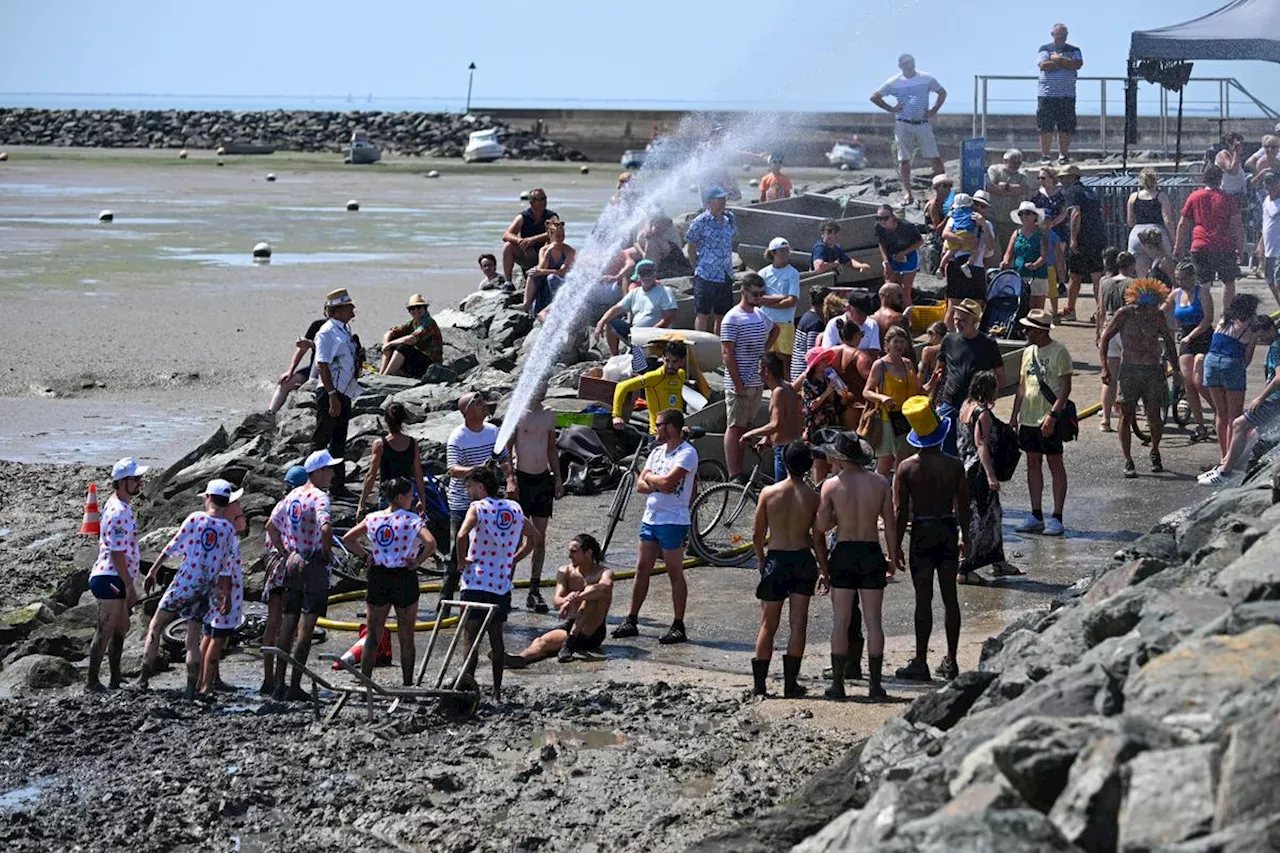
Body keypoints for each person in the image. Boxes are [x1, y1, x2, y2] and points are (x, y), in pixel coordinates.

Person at [136, 479, 242, 698]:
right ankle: (190, 689)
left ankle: (143, 679)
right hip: (206, 588)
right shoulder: (228, 530)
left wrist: (153, 570)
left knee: (156, 625)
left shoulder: (195, 519)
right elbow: (226, 567)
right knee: (193, 639)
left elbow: (172, 546)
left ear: (209, 498)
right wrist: (226, 596)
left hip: (185, 581)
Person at [814, 431, 898, 701]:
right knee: (875, 621)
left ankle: (838, 685)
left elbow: (822, 526)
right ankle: (875, 685)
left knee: (841, 620)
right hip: (871, 550)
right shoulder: (880, 482)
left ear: (839, 457)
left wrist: (839, 516)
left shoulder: (830, 486)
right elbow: (890, 523)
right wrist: (893, 556)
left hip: (845, 552)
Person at [893, 397, 968, 681]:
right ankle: (951, 660)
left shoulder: (906, 468)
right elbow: (963, 506)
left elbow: (900, 512)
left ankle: (921, 661)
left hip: (922, 532)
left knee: (923, 599)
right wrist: (966, 538)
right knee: (950, 597)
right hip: (948, 529)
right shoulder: (954, 466)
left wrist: (896, 545)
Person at [611, 408, 698, 644]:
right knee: (642, 568)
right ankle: (632, 619)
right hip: (651, 517)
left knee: (674, 572)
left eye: (659, 424)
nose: (655, 428)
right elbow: (641, 484)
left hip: (673, 519)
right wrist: (654, 482)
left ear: (671, 427)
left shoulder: (687, 453)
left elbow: (670, 482)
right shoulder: (657, 452)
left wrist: (652, 480)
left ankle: (678, 624)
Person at [341, 477, 437, 686]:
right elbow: (431, 542)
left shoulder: (373, 518)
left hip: (379, 575)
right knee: (406, 635)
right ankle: (408, 683)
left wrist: (366, 556)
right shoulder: (411, 520)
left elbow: (348, 539)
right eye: (411, 496)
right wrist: (418, 561)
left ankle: (365, 680)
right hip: (404, 575)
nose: (413, 500)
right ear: (401, 497)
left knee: (373, 632)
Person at [454, 466, 539, 702]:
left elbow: (461, 536)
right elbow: (534, 538)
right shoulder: (513, 508)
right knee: (496, 637)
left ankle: (467, 688)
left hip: (476, 581)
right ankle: (498, 691)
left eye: (469, 487)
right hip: (501, 582)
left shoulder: (478, 508)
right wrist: (513, 558)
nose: (468, 492)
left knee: (470, 637)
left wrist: (462, 561)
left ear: (481, 487)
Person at [264, 449, 342, 700]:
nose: (332, 474)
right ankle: (295, 684)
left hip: (293, 560)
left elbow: (270, 527)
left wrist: (284, 552)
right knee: (306, 627)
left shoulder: (291, 496)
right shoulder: (320, 497)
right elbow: (326, 526)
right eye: (329, 469)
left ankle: (278, 683)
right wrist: (328, 551)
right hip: (313, 562)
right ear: (317, 472)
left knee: (287, 623)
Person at [751, 441, 820, 698]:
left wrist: (760, 559)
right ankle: (791, 684)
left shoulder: (768, 493)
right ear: (809, 466)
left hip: (776, 559)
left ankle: (760, 685)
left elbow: (757, 534)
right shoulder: (813, 497)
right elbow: (818, 537)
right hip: (802, 559)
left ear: (785, 463)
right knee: (798, 623)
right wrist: (823, 567)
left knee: (768, 624)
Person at [1098, 278, 1177, 478]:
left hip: (1152, 371)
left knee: (1154, 416)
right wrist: (1105, 368)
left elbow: (1168, 340)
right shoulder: (1124, 315)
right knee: (1126, 415)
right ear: (1136, 304)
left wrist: (1176, 369)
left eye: (1152, 307)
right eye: (1144, 307)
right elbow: (1105, 338)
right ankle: (1128, 459)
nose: (1148, 312)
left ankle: (1155, 450)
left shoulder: (1158, 316)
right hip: (1130, 370)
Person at [445, 392, 515, 602]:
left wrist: (510, 479)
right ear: (467, 412)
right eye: (478, 403)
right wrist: (476, 469)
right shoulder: (458, 436)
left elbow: (504, 459)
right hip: (462, 502)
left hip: (490, 503)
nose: (484, 405)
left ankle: (496, 597)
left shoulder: (493, 431)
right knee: (456, 552)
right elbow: (452, 469)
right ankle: (445, 603)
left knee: (494, 547)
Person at [85, 457, 147, 693]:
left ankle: (115, 676)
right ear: (122, 482)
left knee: (121, 627)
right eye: (135, 479)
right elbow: (117, 553)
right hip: (110, 576)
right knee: (107, 628)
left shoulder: (122, 506)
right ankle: (92, 681)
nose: (140, 482)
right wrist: (130, 585)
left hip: (115, 576)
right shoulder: (118, 512)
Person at [505, 535, 614, 667]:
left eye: (574, 552)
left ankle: (571, 640)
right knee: (541, 641)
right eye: (569, 551)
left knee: (591, 592)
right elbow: (557, 603)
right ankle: (520, 658)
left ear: (588, 553)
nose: (569, 556)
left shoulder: (604, 572)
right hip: (571, 623)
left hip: (592, 629)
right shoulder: (565, 571)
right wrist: (567, 599)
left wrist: (576, 597)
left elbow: (605, 586)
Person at [1010, 310, 1073, 536]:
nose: (1025, 332)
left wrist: (1054, 415)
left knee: (1055, 463)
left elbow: (1065, 387)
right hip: (1028, 416)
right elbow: (1022, 386)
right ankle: (1036, 514)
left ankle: (1057, 516)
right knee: (1032, 462)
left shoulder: (1060, 351)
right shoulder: (1027, 352)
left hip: (1049, 416)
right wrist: (1014, 416)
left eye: (1028, 329)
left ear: (1040, 330)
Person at [958, 370, 1022, 582]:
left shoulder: (965, 407)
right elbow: (981, 444)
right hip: (978, 471)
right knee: (979, 520)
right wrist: (990, 476)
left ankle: (998, 561)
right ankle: (965, 569)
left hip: (964, 467)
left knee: (993, 514)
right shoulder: (982, 413)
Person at [1200, 318, 1280, 486]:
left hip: (1275, 400)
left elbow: (1279, 378)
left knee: (1239, 424)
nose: (1260, 341)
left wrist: (1261, 398)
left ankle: (1225, 471)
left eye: (1261, 337)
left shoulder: (1276, 347)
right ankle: (1235, 466)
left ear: (1270, 330)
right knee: (1254, 433)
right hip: (1275, 400)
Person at [506, 384, 563, 613]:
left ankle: (534, 589)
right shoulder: (518, 413)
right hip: (522, 479)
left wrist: (557, 477)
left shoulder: (549, 413)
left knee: (539, 538)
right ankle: (505, 589)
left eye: (544, 385)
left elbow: (551, 448)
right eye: (538, 385)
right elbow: (506, 451)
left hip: (542, 479)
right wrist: (510, 480)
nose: (541, 389)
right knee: (517, 539)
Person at [721, 273, 779, 479]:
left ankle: (742, 469)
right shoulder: (732, 318)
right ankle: (733, 472)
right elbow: (727, 353)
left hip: (756, 381)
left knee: (748, 426)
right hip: (740, 381)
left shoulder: (760, 314)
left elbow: (776, 329)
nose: (758, 297)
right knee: (735, 426)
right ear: (743, 291)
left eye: (761, 294)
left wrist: (765, 349)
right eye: (755, 294)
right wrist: (738, 384)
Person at [257, 464, 308, 695]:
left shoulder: (282, 504)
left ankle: (268, 679)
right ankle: (280, 680)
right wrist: (286, 552)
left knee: (273, 624)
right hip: (285, 566)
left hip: (271, 565)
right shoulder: (299, 504)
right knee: (289, 625)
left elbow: (269, 529)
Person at [870, 53, 947, 205]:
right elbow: (874, 96)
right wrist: (891, 109)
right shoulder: (894, 82)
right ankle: (907, 192)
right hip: (903, 123)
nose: (910, 66)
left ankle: (943, 188)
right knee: (904, 159)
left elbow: (942, 92)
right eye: (906, 64)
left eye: (911, 62)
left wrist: (934, 109)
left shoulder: (926, 78)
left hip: (923, 123)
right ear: (901, 66)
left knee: (934, 157)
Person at [933, 299, 1005, 457]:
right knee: (948, 453)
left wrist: (991, 398)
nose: (957, 323)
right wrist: (935, 400)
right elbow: (939, 371)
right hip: (950, 404)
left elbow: (1000, 376)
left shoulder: (988, 343)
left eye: (962, 320)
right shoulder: (949, 340)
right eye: (956, 318)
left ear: (975, 321)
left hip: (975, 407)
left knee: (974, 451)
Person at [1202, 294, 1266, 460]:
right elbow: (1247, 356)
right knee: (1234, 416)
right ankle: (1230, 459)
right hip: (1231, 363)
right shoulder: (1250, 326)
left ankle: (1223, 455)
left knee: (1221, 414)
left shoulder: (1224, 318)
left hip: (1211, 361)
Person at [311, 288, 361, 498]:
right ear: (337, 310)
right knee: (322, 439)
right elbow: (322, 363)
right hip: (332, 392)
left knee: (339, 440)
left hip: (344, 391)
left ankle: (337, 485)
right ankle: (313, 484)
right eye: (349, 306)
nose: (353, 309)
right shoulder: (327, 332)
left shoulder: (343, 329)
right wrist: (331, 394)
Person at [1175, 164, 1244, 308]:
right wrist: (1240, 248)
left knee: (1204, 284)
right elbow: (1237, 226)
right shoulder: (1227, 198)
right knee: (1229, 282)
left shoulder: (1194, 196)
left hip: (1200, 244)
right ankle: (1226, 315)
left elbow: (1182, 224)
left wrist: (1178, 246)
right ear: (1220, 179)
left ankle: (1204, 315)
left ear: (1204, 178)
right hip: (1224, 245)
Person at [594, 258, 677, 371]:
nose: (646, 276)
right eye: (643, 273)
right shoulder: (634, 292)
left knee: (640, 369)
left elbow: (670, 316)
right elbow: (616, 308)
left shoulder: (664, 291)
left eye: (649, 272)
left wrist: (651, 332)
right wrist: (600, 323)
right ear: (638, 276)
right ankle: (615, 357)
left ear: (654, 274)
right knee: (611, 322)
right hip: (635, 334)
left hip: (658, 336)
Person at [1167, 260, 1215, 442]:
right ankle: (1201, 426)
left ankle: (1218, 412)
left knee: (1199, 381)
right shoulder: (1176, 293)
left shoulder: (1202, 292)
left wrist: (1191, 336)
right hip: (1186, 336)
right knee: (1188, 383)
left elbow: (1208, 319)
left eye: (1184, 279)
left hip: (1202, 335)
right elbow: (1162, 308)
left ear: (1192, 277)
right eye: (1178, 279)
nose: (1180, 282)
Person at [355, 401, 428, 520]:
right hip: (407, 496)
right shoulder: (412, 443)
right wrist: (422, 500)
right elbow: (418, 474)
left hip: (387, 496)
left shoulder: (380, 444)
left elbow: (371, 475)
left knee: (387, 532)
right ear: (403, 420)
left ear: (386, 420)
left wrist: (361, 503)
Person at [864, 326, 919, 476]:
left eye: (903, 342)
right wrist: (882, 397)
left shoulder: (908, 364)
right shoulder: (880, 365)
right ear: (887, 344)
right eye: (896, 342)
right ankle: (877, 494)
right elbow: (866, 391)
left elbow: (919, 390)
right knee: (886, 461)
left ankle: (897, 496)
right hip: (887, 418)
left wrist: (934, 382)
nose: (899, 346)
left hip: (906, 417)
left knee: (903, 461)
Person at [742, 352, 805, 483]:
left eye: (759, 368)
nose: (758, 371)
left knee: (782, 496)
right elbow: (786, 420)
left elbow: (776, 424)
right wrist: (767, 438)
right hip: (793, 446)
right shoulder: (787, 387)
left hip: (784, 450)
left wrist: (750, 433)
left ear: (767, 371)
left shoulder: (778, 392)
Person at [686, 186, 738, 333]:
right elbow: (691, 246)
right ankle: (701, 346)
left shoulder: (730, 219)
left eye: (724, 199)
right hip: (706, 274)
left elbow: (732, 238)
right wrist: (695, 266)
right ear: (709, 202)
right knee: (703, 313)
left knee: (722, 314)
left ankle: (718, 346)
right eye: (719, 199)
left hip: (725, 273)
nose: (723, 202)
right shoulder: (700, 221)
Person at [1059, 165, 1107, 323]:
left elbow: (1076, 214)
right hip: (1097, 237)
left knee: (1074, 275)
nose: (1061, 180)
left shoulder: (1073, 191)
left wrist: (1073, 238)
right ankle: (1101, 311)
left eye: (1064, 177)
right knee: (1096, 275)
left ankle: (1070, 309)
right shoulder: (1090, 192)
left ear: (1073, 177)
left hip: (1083, 238)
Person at [611, 339, 689, 435]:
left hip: (676, 434)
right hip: (658, 435)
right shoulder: (654, 377)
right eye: (667, 360)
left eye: (675, 361)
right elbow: (621, 386)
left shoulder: (681, 375)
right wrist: (617, 416)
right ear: (663, 358)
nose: (670, 365)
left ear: (682, 360)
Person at [794, 347, 847, 481]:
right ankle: (818, 486)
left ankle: (832, 484)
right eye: (822, 360)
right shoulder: (808, 382)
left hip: (830, 420)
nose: (826, 362)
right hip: (816, 425)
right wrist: (827, 392)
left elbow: (836, 401)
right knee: (819, 458)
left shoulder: (828, 377)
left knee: (834, 455)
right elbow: (810, 406)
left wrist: (842, 394)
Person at [1036, 23, 1084, 165]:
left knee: (1065, 128)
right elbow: (1043, 66)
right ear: (1053, 35)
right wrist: (1065, 63)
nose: (1061, 37)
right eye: (1058, 35)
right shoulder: (1045, 49)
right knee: (1045, 127)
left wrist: (1059, 60)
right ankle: (1045, 156)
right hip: (1047, 95)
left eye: (1064, 35)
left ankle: (1063, 155)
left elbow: (1077, 64)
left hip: (1067, 95)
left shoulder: (1074, 50)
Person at [1097, 249, 1133, 433]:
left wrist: (1099, 334)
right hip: (1127, 331)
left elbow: (1101, 312)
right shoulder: (1134, 283)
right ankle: (1126, 414)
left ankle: (1105, 419)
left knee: (1109, 378)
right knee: (1128, 374)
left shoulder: (1105, 282)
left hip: (1108, 331)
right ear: (1131, 266)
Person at [268, 310, 327, 413]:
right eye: (328, 310)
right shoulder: (317, 325)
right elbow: (302, 349)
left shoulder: (342, 328)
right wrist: (290, 371)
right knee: (285, 382)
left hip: (331, 371)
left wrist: (312, 344)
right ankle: (270, 413)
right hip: (312, 369)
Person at [378, 294, 443, 379]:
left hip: (430, 366)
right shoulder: (412, 323)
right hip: (417, 362)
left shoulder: (429, 323)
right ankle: (381, 374)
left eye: (419, 307)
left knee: (403, 348)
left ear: (425, 308)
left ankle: (386, 376)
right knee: (392, 342)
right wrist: (386, 344)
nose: (415, 310)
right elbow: (390, 332)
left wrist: (390, 344)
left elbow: (412, 339)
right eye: (412, 309)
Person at [501, 188, 557, 284]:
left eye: (544, 198)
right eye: (541, 199)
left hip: (546, 257)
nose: (544, 202)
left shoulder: (551, 216)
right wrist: (521, 242)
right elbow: (506, 235)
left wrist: (533, 240)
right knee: (508, 246)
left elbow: (554, 232)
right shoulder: (523, 217)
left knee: (552, 244)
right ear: (532, 202)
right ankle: (508, 283)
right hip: (528, 255)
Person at [523, 216, 575, 316]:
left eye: (562, 236)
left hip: (563, 282)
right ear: (550, 235)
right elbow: (542, 267)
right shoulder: (544, 250)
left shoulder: (569, 251)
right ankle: (526, 304)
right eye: (558, 236)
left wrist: (543, 272)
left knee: (551, 277)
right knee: (533, 273)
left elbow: (562, 272)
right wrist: (548, 253)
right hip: (546, 280)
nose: (561, 239)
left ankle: (555, 307)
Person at [1003, 201, 1050, 310]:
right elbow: (1008, 253)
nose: (1024, 216)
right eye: (1021, 214)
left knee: (1037, 308)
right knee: (1022, 306)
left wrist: (1035, 265)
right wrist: (1005, 261)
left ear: (1035, 216)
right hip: (1019, 274)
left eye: (1027, 213)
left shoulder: (1041, 234)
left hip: (1037, 275)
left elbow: (1044, 256)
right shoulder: (1016, 234)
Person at [1035, 165, 1070, 313]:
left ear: (1051, 178)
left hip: (1058, 228)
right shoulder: (1038, 195)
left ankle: (1061, 282)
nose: (1041, 181)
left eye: (1043, 177)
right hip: (1043, 230)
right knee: (1046, 259)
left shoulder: (1060, 193)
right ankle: (1049, 284)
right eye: (1039, 178)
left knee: (1059, 259)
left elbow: (1065, 210)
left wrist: (1054, 223)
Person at [874, 204, 923, 304]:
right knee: (890, 288)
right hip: (892, 255)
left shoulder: (906, 226)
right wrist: (886, 261)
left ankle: (907, 317)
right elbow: (881, 243)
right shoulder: (879, 227)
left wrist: (903, 253)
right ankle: (891, 312)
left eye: (885, 218)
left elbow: (919, 242)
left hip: (909, 254)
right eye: (879, 218)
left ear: (892, 216)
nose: (882, 221)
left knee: (906, 290)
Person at [760, 238, 800, 356]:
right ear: (773, 253)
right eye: (782, 251)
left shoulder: (793, 273)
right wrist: (781, 298)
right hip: (765, 322)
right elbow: (760, 298)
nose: (785, 254)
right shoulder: (763, 273)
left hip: (785, 322)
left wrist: (769, 303)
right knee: (765, 359)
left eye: (787, 251)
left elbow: (792, 301)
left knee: (784, 360)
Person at [986, 149, 1032, 251]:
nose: (1016, 165)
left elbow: (1024, 190)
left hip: (1009, 219)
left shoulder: (1022, 174)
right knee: (988, 247)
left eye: (1019, 162)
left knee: (1007, 248)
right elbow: (991, 188)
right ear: (1005, 161)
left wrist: (1005, 187)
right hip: (992, 216)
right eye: (1013, 162)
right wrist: (1012, 190)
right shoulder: (994, 170)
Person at [1126, 168, 1175, 257]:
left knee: (1139, 268)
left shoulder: (1133, 197)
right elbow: (1167, 221)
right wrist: (1174, 240)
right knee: (1166, 264)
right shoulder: (1162, 196)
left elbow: (1130, 222)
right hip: (1157, 233)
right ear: (1156, 180)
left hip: (1137, 234)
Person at [790, 286, 829, 383]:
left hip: (796, 371)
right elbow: (813, 353)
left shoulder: (806, 316)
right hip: (804, 374)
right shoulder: (816, 323)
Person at [871, 282, 911, 353]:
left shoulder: (871, 319)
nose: (902, 300)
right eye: (899, 296)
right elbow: (908, 349)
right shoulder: (898, 318)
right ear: (888, 297)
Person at [1261, 172, 1280, 308]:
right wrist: (1260, 244)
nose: (1270, 186)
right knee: (1269, 281)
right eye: (1267, 182)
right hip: (1269, 249)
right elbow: (1265, 224)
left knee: (1278, 281)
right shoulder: (1266, 200)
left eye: (1272, 182)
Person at [919, 320, 948, 406]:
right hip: (946, 388)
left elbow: (922, 373)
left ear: (935, 335)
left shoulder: (928, 351)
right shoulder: (951, 347)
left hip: (932, 386)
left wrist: (918, 391)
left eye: (929, 333)